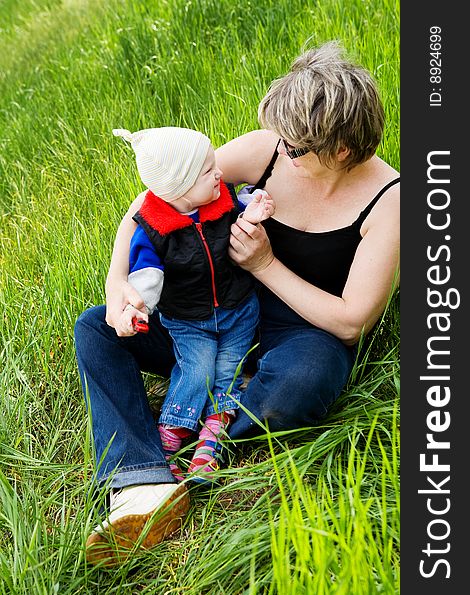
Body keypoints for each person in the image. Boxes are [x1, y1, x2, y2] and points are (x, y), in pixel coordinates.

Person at [74, 40, 399, 565]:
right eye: (282, 140)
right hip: (212, 316)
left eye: (297, 147)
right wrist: (118, 281)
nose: (285, 152)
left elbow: (352, 321)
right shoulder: (266, 150)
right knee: (95, 328)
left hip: (303, 332)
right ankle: (141, 478)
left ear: (340, 150)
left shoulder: (389, 200)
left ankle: (212, 430)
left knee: (302, 384)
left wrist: (265, 264)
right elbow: (153, 201)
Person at [112, 126, 274, 484]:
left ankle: (210, 441)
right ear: (177, 186)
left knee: (228, 369)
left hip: (238, 310)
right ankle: (169, 437)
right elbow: (147, 276)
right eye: (206, 171)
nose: (219, 173)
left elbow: (242, 211)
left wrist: (256, 209)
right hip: (188, 319)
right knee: (196, 368)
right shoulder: (154, 227)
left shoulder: (222, 199)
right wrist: (139, 307)